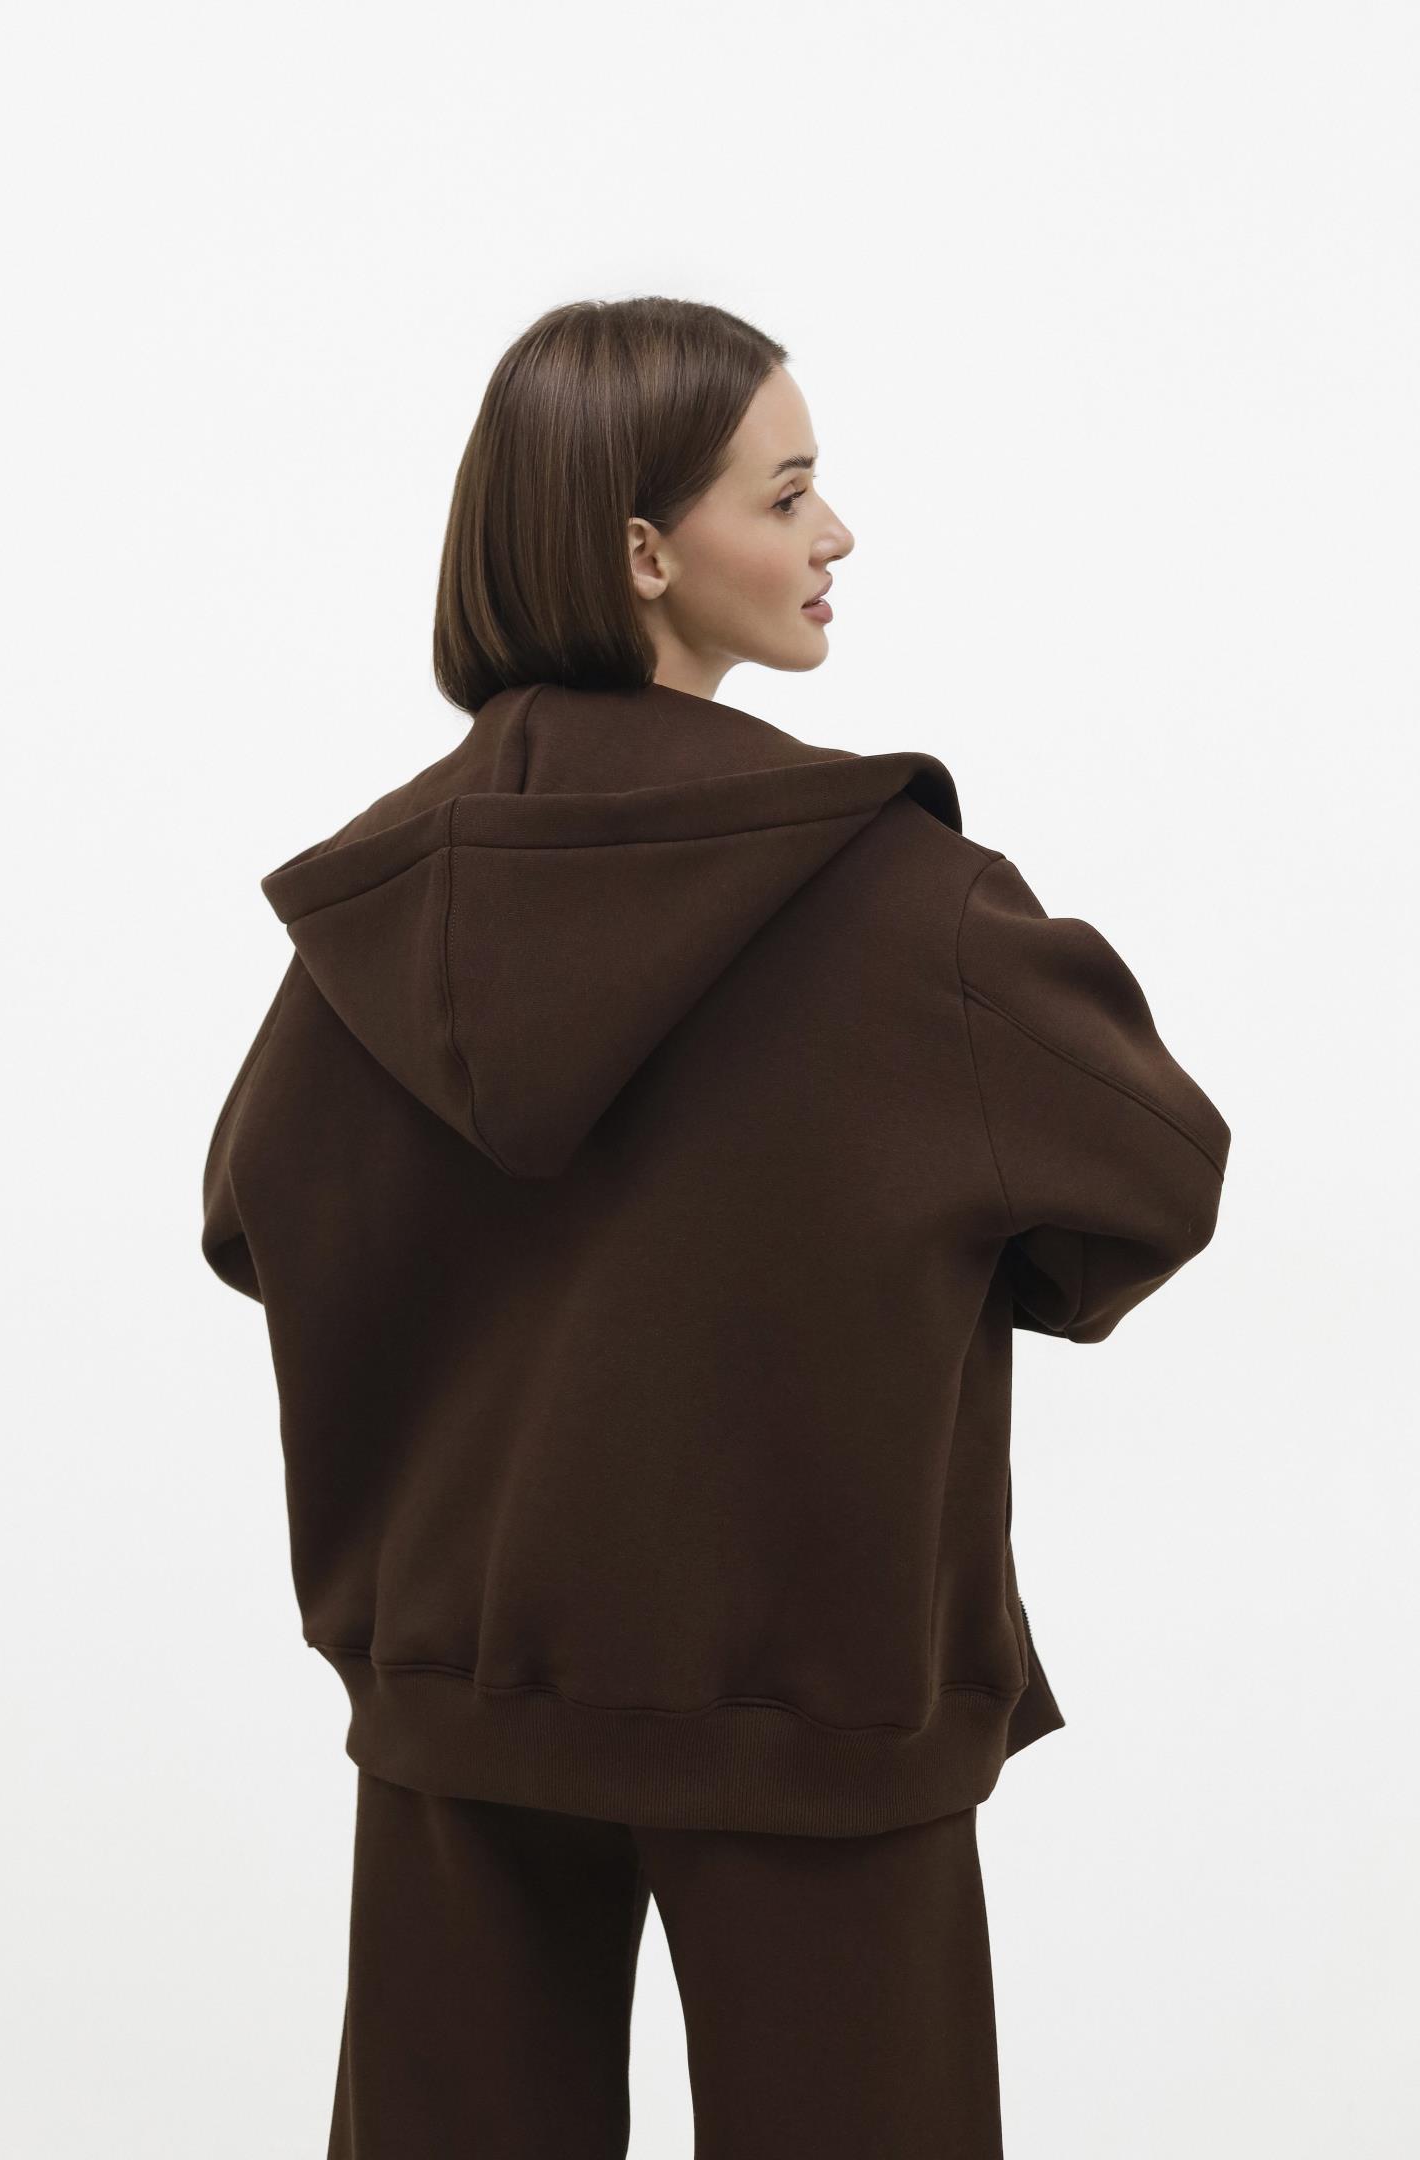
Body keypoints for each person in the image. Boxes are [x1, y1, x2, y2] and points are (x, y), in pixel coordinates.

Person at [201, 296, 1230, 2157]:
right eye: (787, 492)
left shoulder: (384, 900)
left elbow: (255, 1211)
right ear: (643, 554)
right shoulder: (900, 902)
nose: (838, 533)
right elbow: (1158, 1173)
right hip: (811, 1696)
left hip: (460, 1690)